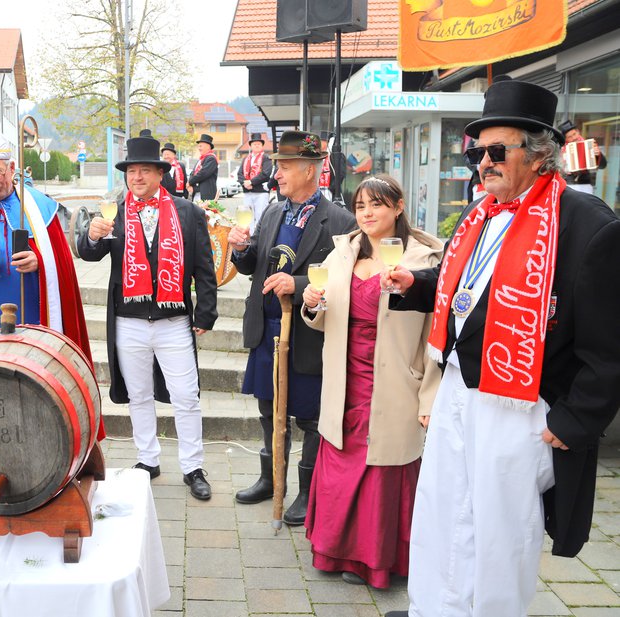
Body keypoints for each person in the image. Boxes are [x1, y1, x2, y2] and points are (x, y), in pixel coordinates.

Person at [382, 80, 620, 617]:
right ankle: (435, 607)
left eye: (496, 151)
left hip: (521, 406)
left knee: (499, 531)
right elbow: (462, 287)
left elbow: (610, 348)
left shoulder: (588, 227)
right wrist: (415, 286)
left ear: (539, 155)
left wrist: (576, 419)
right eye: (476, 151)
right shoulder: (480, 213)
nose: (482, 163)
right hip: (460, 388)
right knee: (443, 509)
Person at [300, 174, 442, 588]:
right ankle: (335, 551)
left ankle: (376, 561)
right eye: (360, 206)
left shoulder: (425, 262)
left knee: (382, 470)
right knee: (340, 470)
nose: (366, 213)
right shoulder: (342, 253)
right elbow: (322, 314)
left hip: (396, 381)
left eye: (376, 205)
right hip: (345, 379)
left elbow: (436, 338)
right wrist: (313, 302)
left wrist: (428, 400)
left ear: (398, 207)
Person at [77, 136, 218, 499]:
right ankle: (148, 459)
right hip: (129, 320)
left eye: (144, 170)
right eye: (131, 171)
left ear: (159, 173)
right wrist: (92, 237)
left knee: (186, 396)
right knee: (139, 395)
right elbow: (89, 255)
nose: (137, 177)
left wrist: (206, 311)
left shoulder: (188, 212)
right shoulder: (114, 212)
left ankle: (192, 466)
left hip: (174, 322)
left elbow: (204, 267)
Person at [227, 131, 356, 525]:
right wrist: (241, 251)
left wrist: (298, 287)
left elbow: (346, 282)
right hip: (267, 329)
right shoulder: (272, 212)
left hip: (308, 334)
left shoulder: (340, 220)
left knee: (310, 416)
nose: (275, 174)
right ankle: (270, 477)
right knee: (269, 408)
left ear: (310, 169)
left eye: (283, 167)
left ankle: (307, 491)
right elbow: (257, 268)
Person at [0, 112, 92, 362]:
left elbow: (62, 266)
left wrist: (40, 261)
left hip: (33, 315)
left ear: (12, 168)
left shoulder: (40, 208)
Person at [558, 119, 607, 194]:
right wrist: (564, 165)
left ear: (578, 132)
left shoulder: (589, 145)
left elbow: (603, 166)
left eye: (574, 134)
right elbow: (557, 170)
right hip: (568, 184)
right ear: (566, 139)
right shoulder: (561, 150)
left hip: (585, 183)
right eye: (570, 137)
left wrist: (598, 155)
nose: (574, 138)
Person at [237, 132, 273, 231]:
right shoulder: (246, 159)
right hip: (248, 192)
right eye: (254, 144)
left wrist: (251, 182)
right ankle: (250, 239)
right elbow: (239, 174)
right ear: (251, 145)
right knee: (248, 218)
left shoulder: (266, 158)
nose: (257, 145)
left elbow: (266, 174)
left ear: (262, 145)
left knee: (260, 216)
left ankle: (260, 240)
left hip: (260, 192)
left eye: (259, 144)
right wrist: (245, 183)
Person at [188, 133, 218, 201]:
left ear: (208, 146)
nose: (199, 148)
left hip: (206, 195)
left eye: (201, 146)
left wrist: (190, 182)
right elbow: (193, 173)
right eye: (199, 146)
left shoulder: (211, 159)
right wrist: (189, 184)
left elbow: (203, 174)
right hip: (196, 193)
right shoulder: (200, 160)